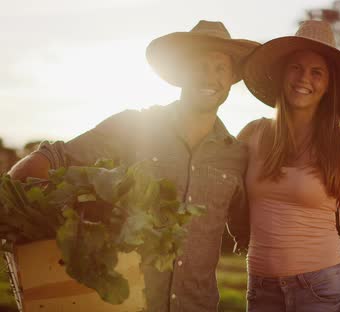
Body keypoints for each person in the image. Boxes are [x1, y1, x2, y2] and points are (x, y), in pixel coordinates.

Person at [9, 20, 260, 312]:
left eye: (220, 68)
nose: (210, 77)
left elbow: (252, 232)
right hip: (129, 305)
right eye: (200, 66)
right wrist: (16, 198)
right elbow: (54, 158)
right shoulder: (133, 126)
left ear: (231, 79)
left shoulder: (237, 156)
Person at [238, 20, 340, 312]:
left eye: (316, 72)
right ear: (283, 73)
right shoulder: (252, 134)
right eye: (296, 67)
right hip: (261, 290)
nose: (304, 79)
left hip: (322, 288)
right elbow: (222, 194)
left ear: (327, 85)